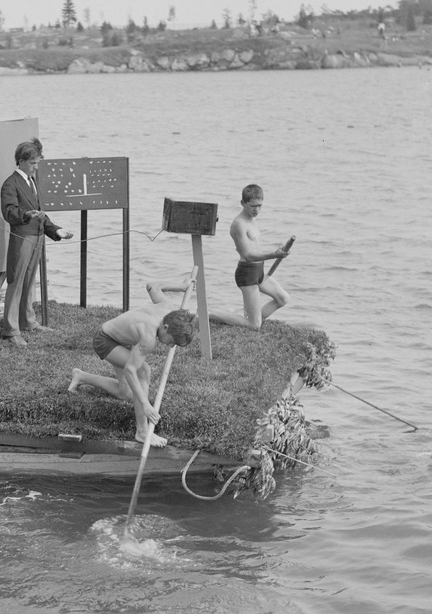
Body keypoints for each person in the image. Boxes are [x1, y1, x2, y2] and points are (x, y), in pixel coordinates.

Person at [67, 277, 197, 448]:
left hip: (121, 339)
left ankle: (81, 376)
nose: (171, 346)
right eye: (172, 341)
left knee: (126, 393)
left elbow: (153, 286)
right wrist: (146, 405)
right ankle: (142, 432)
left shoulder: (168, 309)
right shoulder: (148, 337)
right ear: (165, 328)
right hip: (106, 341)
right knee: (143, 371)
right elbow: (130, 370)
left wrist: (183, 286)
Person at [0, 138, 73, 347]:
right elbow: (8, 211)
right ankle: (11, 329)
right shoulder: (10, 183)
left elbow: (41, 215)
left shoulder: (32, 182)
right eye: (33, 163)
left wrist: (56, 230)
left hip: (38, 237)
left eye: (37, 163)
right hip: (22, 238)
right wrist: (26, 215)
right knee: (16, 281)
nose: (36, 167)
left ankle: (27, 321)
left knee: (30, 281)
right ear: (21, 161)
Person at [209, 184, 291, 331]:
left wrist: (280, 252)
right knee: (255, 325)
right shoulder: (239, 224)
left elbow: (255, 246)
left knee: (283, 299)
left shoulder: (252, 219)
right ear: (242, 203)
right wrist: (274, 254)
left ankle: (246, 318)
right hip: (246, 274)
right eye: (253, 206)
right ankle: (208, 314)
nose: (256, 210)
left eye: (259, 206)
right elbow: (247, 255)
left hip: (259, 271)